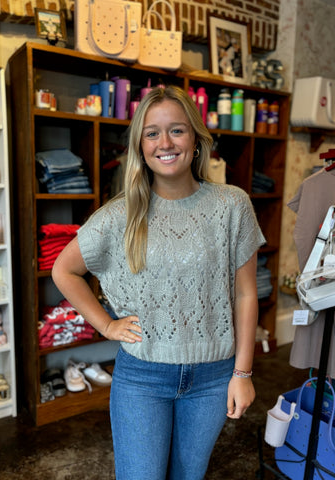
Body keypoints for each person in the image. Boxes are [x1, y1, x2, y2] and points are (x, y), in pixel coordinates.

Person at [52, 85, 265, 480]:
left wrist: (243, 374)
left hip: (214, 376)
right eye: (152, 133)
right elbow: (63, 270)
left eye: (177, 130)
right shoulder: (120, 216)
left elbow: (245, 293)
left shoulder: (231, 205)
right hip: (142, 376)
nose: (165, 143)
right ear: (140, 145)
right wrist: (107, 325)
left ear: (196, 139)